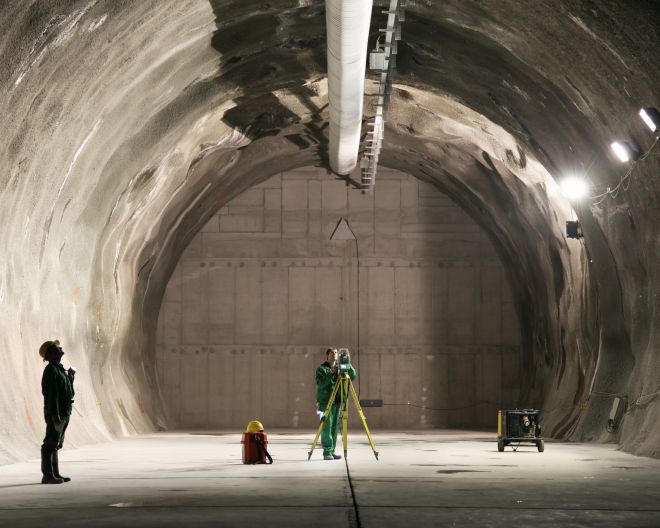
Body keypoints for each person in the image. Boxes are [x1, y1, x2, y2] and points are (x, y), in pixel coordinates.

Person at [39, 340, 75, 484]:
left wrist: (71, 379)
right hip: (57, 412)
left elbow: (69, 393)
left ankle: (55, 474)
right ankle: (47, 475)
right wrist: (55, 415)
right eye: (56, 347)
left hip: (64, 411)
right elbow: (51, 395)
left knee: (57, 443)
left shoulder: (59, 369)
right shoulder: (51, 371)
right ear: (49, 354)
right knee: (50, 443)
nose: (60, 348)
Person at [315, 347, 356, 461]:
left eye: (336, 353)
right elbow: (321, 383)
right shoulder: (321, 369)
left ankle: (331, 451)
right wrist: (331, 372)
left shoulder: (340, 368)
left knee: (334, 427)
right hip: (324, 403)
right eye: (332, 353)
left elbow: (352, 376)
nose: (334, 354)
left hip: (337, 402)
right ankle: (326, 452)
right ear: (327, 355)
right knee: (325, 427)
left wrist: (347, 363)